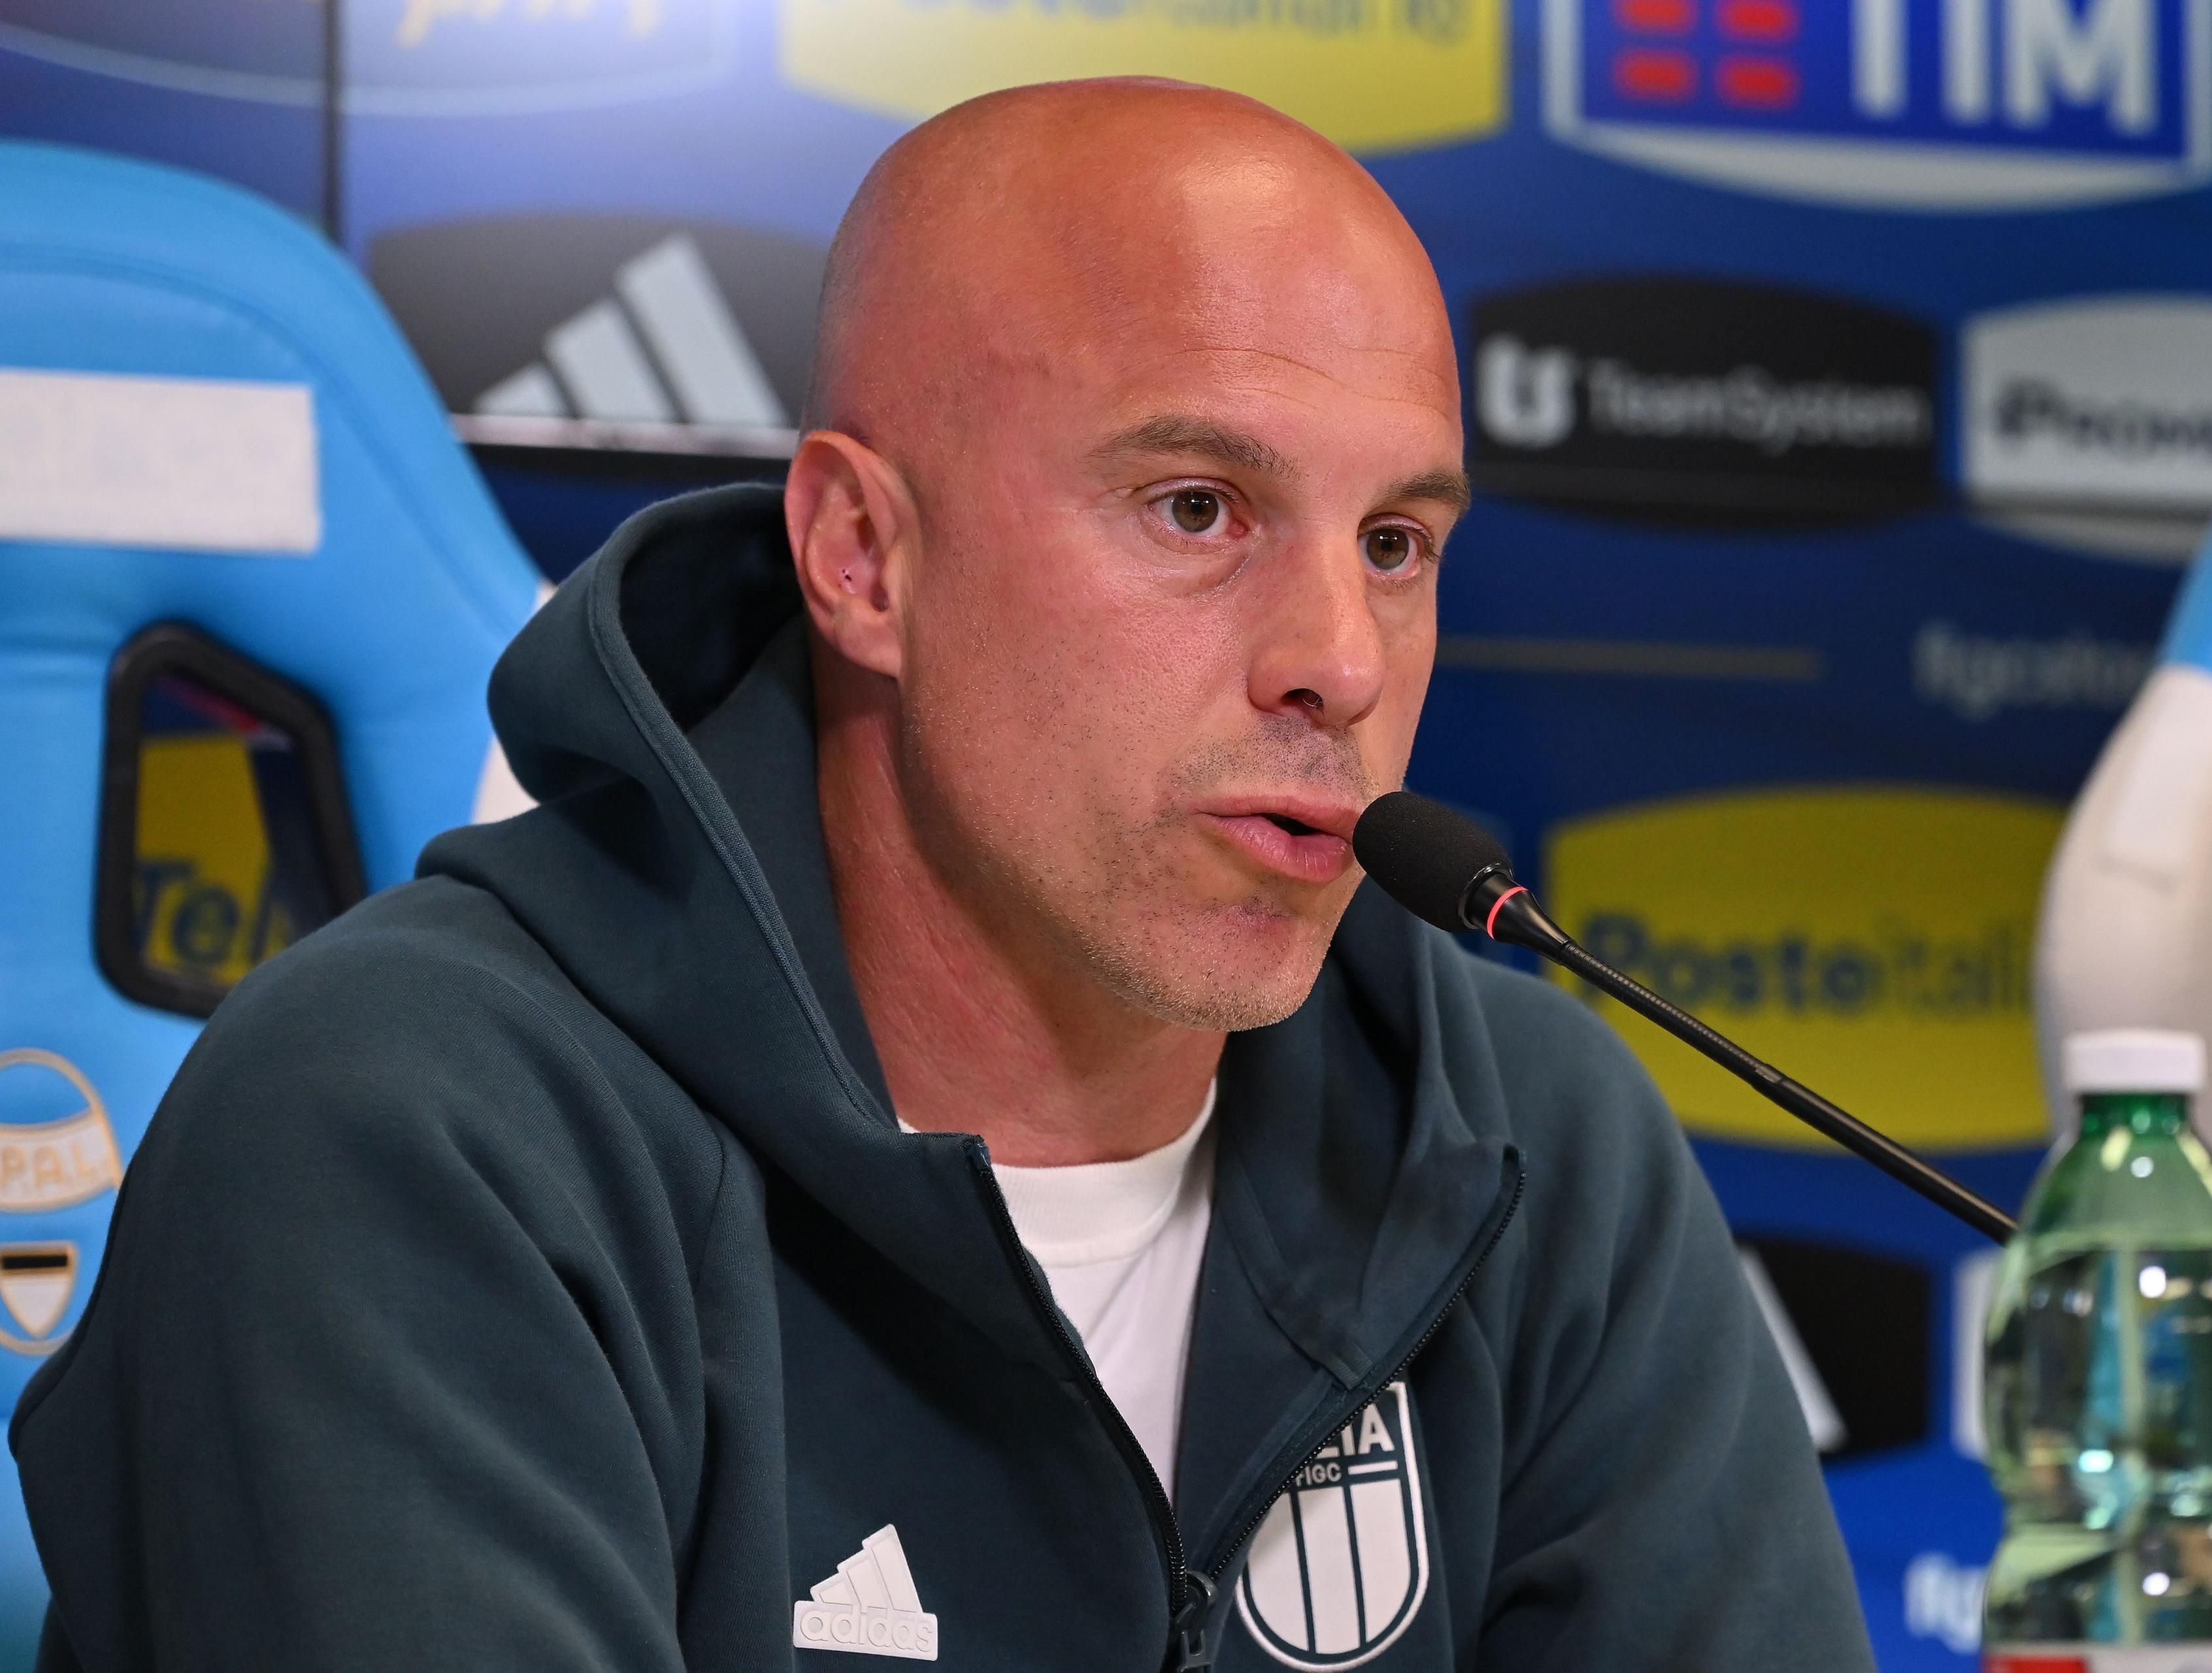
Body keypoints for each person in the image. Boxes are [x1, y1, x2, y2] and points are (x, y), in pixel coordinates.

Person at [13, 80, 1873, 1672]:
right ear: (861, 558)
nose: (1344, 658)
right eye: (1196, 510)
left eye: (1396, 540)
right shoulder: (408, 1130)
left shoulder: (1529, 1139)